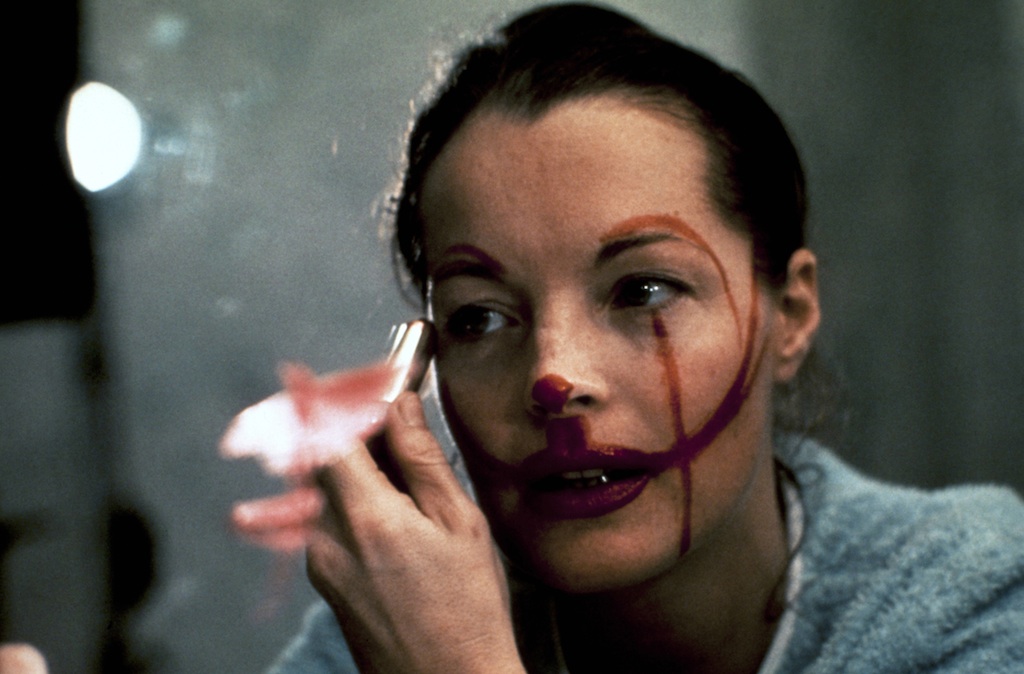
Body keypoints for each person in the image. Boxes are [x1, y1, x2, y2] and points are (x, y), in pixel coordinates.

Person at [265, 4, 1024, 672]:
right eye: (480, 318)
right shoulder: (387, 630)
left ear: (790, 314)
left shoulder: (974, 600)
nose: (553, 379)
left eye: (644, 290)